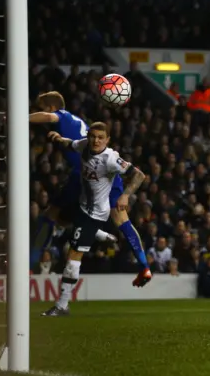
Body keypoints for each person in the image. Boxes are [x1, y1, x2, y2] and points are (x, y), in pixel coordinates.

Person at [29, 92, 152, 287]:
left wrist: (19, 117)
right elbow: (74, 143)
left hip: (84, 175)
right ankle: (144, 266)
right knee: (120, 219)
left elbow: (48, 117)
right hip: (106, 176)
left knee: (51, 215)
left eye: (40, 107)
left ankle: (29, 264)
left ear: (51, 107)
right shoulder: (75, 122)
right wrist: (59, 138)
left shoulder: (60, 115)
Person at [42, 122, 146, 316]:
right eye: (93, 136)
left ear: (107, 140)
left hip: (94, 214)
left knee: (73, 256)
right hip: (81, 206)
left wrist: (125, 196)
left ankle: (62, 305)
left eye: (100, 137)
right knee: (59, 217)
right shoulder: (84, 146)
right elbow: (70, 143)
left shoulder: (111, 159)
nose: (96, 140)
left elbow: (139, 175)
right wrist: (58, 138)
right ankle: (99, 235)